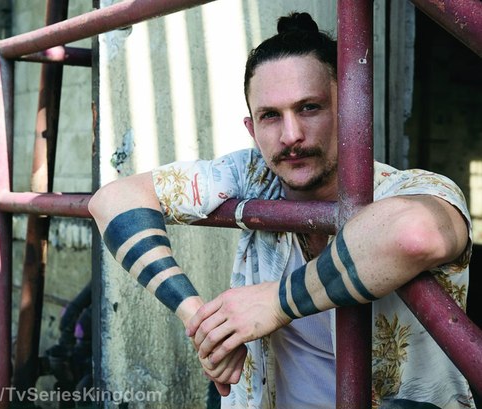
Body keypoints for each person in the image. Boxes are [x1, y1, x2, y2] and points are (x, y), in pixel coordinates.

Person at [88, 12, 475, 409]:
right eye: (270, 116)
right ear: (252, 129)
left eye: (309, 108)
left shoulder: (413, 189)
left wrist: (276, 302)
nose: (291, 136)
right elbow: (112, 199)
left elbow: (415, 235)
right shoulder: (254, 173)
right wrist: (204, 322)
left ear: (349, 111)